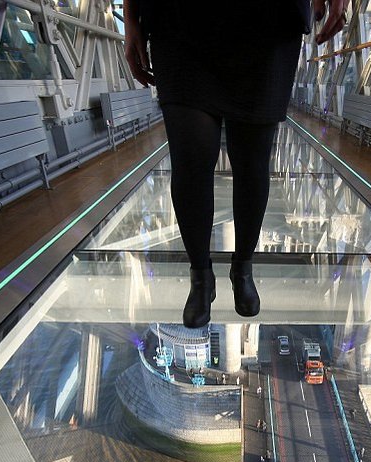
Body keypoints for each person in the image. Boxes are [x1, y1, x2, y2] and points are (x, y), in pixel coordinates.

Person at [124, 0, 348, 327]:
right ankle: (201, 276)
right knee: (190, 159)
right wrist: (131, 17)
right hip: (178, 22)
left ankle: (242, 267)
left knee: (253, 163)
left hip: (267, 23)